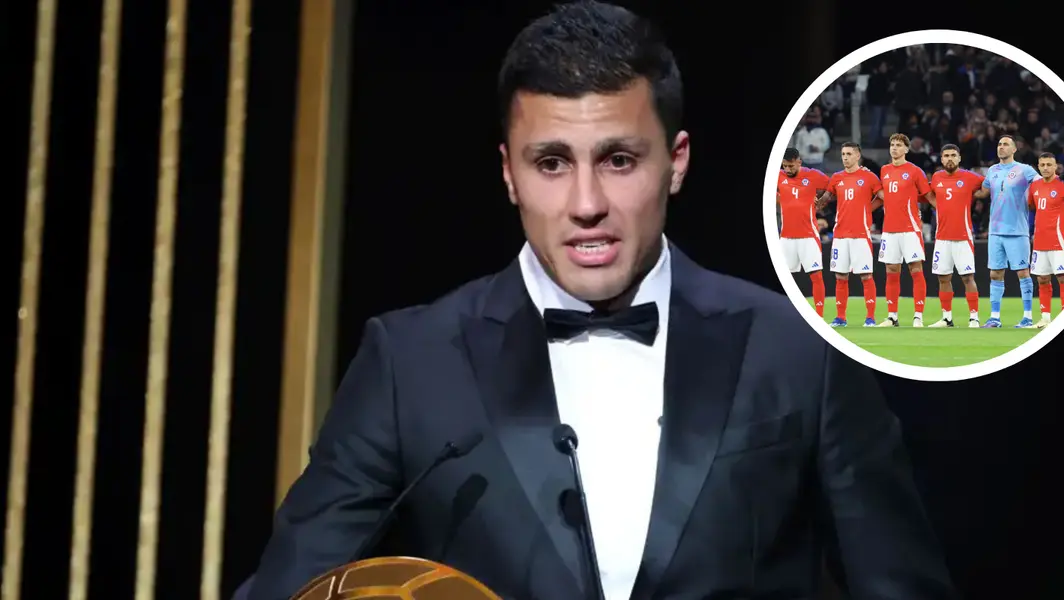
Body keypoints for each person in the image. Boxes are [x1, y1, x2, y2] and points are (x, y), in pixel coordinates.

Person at [240, 4, 955, 600]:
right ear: (509, 173)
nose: (586, 203)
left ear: (676, 162)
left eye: (618, 160)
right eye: (551, 163)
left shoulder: (797, 352)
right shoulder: (410, 364)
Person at [876, 133, 934, 327]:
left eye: (899, 145)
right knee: (891, 270)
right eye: (892, 144)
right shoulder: (884, 170)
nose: (894, 148)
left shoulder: (915, 171)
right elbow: (882, 195)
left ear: (906, 149)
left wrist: (943, 210)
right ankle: (892, 316)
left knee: (915, 269)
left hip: (910, 228)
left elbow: (927, 195)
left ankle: (918, 316)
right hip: (889, 229)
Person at [981, 134, 1038, 328]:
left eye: (1006, 144)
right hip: (995, 230)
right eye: (999, 144)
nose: (1001, 147)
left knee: (1023, 272)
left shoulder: (1025, 170)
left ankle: (1027, 317)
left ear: (1014, 149)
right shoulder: (992, 170)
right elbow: (983, 191)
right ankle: (994, 317)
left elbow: (1041, 185)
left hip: (1017, 230)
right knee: (995, 274)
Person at [826, 142, 883, 327]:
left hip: (860, 235)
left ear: (858, 155)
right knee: (840, 277)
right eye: (843, 154)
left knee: (866, 276)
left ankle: (870, 318)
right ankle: (840, 318)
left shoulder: (869, 177)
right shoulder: (836, 177)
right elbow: (827, 197)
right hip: (840, 235)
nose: (845, 157)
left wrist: (867, 208)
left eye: (849, 154)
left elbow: (883, 197)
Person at [928, 144, 986, 328]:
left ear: (959, 158)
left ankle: (974, 317)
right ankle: (946, 318)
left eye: (953, 155)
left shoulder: (969, 177)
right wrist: (938, 206)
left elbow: (987, 186)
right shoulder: (936, 177)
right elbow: (928, 195)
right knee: (943, 278)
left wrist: (978, 196)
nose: (950, 159)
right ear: (941, 159)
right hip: (942, 237)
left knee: (967, 277)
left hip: (963, 237)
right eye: (946, 156)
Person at [1027, 153, 1064, 328]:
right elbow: (1032, 206)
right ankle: (1045, 318)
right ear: (1038, 166)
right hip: (1040, 242)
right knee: (1042, 279)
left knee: (1063, 278)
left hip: (1059, 241)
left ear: (1055, 166)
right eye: (1042, 165)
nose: (1045, 168)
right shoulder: (1034, 186)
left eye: (1049, 164)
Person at [777, 147, 831, 316]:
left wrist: (822, 200)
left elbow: (833, 186)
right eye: (785, 166)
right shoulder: (778, 176)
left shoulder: (813, 175)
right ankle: (785, 314)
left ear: (799, 162)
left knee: (816, 276)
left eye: (791, 166)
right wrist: (780, 199)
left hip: (809, 235)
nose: (787, 169)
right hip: (786, 237)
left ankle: (819, 316)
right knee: (783, 277)